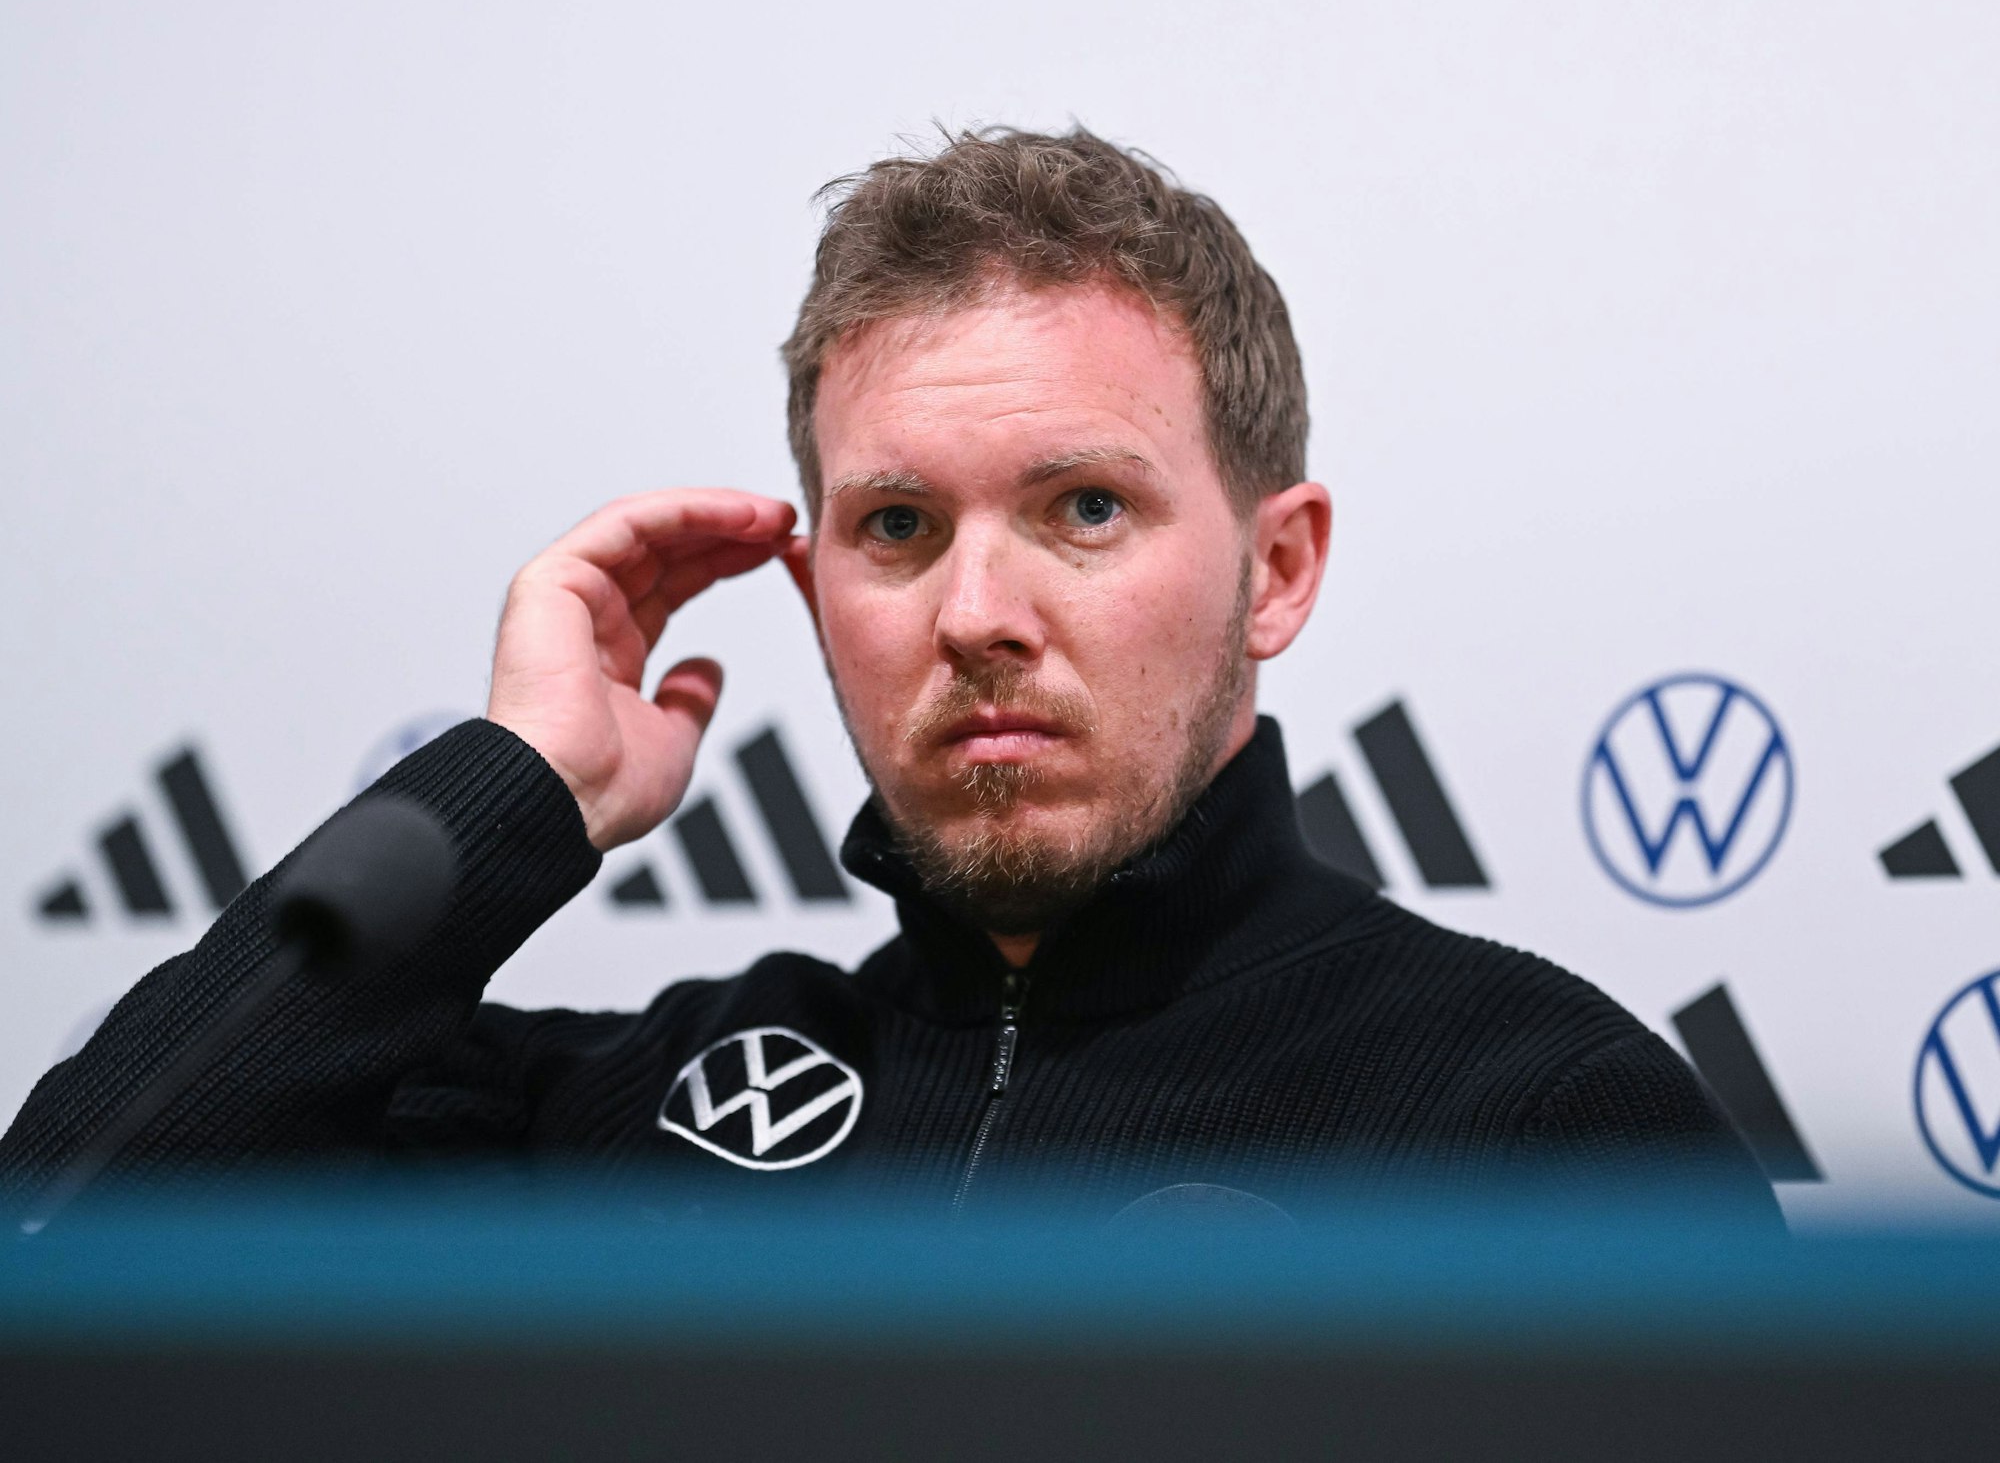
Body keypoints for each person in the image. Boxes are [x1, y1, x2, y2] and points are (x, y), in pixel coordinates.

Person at [0, 128, 1778, 1226]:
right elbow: (67, 1238)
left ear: (1278, 568)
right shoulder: (618, 1115)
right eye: (901, 525)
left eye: (1085, 507)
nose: (975, 609)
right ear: (817, 576)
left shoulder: (1539, 1118)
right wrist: (510, 793)